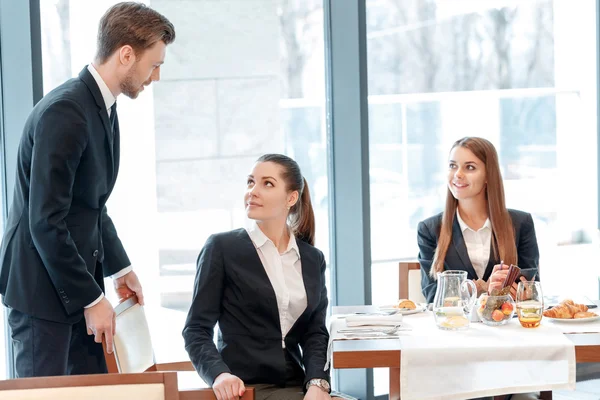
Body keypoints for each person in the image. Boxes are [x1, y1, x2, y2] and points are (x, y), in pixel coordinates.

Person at [0, 2, 175, 377]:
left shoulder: (100, 106)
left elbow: (91, 205)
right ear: (126, 55)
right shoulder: (67, 112)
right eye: (154, 64)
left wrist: (119, 267)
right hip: (42, 295)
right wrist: (92, 297)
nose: (155, 76)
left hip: (74, 286)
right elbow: (46, 221)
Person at [183, 154, 331, 400]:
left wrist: (318, 383)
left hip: (297, 384)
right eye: (251, 182)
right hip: (245, 388)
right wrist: (219, 375)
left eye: (267, 183)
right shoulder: (222, 248)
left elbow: (315, 332)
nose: (253, 191)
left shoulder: (312, 259)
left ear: (291, 198)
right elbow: (196, 329)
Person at [417, 137, 539, 304]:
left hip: (506, 324)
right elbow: (432, 294)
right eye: (453, 166)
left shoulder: (521, 223)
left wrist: (513, 289)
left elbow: (533, 290)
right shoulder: (430, 229)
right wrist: (481, 288)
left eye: (470, 167)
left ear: (489, 175)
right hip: (456, 325)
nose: (458, 174)